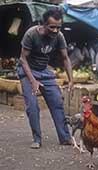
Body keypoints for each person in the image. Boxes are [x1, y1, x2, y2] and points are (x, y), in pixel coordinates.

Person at [17, 8, 73, 149]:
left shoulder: (59, 36)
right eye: (52, 27)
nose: (55, 30)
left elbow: (65, 58)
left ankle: (65, 137)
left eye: (58, 27)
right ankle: (37, 139)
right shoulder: (31, 34)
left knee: (57, 102)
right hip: (27, 71)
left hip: (44, 71)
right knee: (33, 106)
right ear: (43, 24)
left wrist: (71, 80)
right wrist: (32, 81)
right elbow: (23, 59)